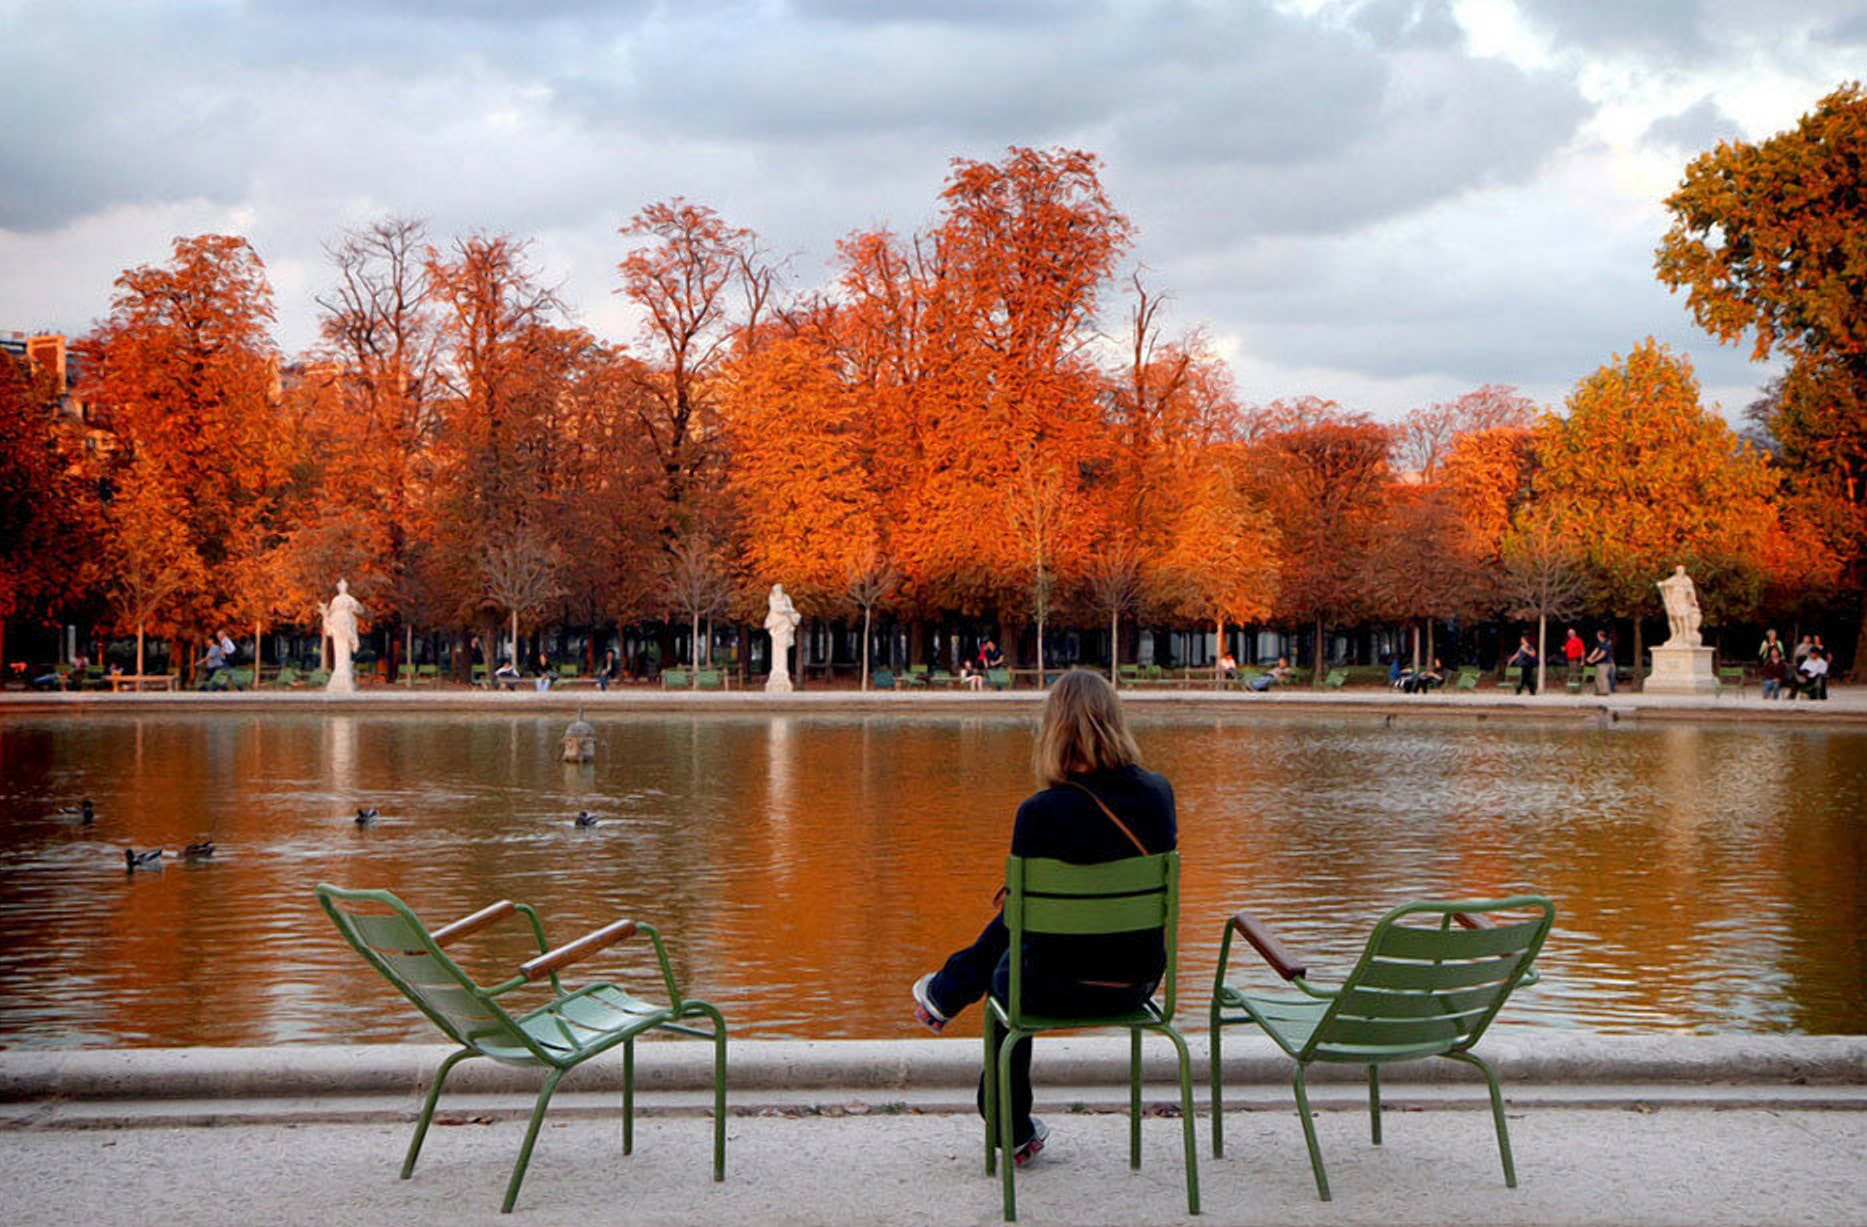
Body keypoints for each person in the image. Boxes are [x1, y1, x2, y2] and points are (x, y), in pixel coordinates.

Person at [909, 670, 1176, 1168]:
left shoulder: (1041, 812)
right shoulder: (1159, 793)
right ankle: (948, 991)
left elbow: (1020, 921)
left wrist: (968, 971)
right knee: (1014, 954)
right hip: (1139, 980)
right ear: (1115, 721)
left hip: (1064, 984)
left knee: (1008, 974)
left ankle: (1011, 1127)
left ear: (1053, 729)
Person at [1586, 629, 1615, 695]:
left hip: (1605, 663)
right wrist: (1590, 657)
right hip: (1599, 663)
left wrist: (1594, 660)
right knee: (1598, 676)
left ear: (1601, 636)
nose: (1597, 636)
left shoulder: (1607, 643)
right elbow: (1596, 650)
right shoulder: (1600, 643)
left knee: (1603, 676)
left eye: (1598, 635)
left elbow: (1603, 654)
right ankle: (1599, 690)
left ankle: (1605, 691)